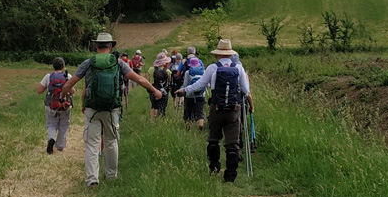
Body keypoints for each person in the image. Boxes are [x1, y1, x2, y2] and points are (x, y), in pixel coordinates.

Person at [63, 32, 163, 186]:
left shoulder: (88, 63)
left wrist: (63, 96)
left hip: (92, 109)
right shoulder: (118, 63)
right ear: (110, 46)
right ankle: (111, 177)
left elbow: (70, 84)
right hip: (112, 109)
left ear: (96, 46)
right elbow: (139, 79)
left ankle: (92, 180)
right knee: (111, 142)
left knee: (92, 143)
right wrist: (154, 91)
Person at [176, 39, 253, 183]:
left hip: (216, 109)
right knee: (232, 143)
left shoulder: (212, 68)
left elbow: (199, 85)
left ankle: (214, 167)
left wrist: (184, 90)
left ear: (218, 54)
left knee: (213, 139)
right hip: (233, 110)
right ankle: (230, 176)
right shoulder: (238, 68)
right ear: (230, 54)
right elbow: (246, 90)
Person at [34, 57, 73, 154]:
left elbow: (39, 91)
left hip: (51, 105)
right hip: (65, 105)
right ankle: (60, 146)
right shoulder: (68, 76)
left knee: (51, 124)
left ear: (53, 66)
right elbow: (72, 91)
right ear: (63, 66)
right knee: (64, 125)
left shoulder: (48, 76)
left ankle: (51, 139)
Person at [179, 46, 207, 130]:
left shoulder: (187, 72)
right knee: (200, 112)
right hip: (201, 94)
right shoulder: (203, 70)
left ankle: (188, 128)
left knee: (188, 111)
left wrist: (183, 90)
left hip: (189, 95)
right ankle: (201, 124)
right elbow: (205, 83)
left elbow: (185, 84)